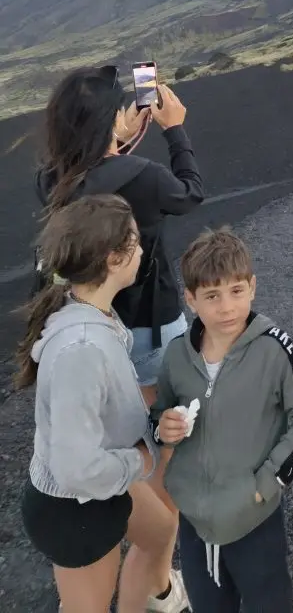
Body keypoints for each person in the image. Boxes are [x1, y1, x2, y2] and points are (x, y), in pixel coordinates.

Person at [35, 64, 204, 613]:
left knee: (107, 433)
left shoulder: (54, 179)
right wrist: (174, 130)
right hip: (149, 329)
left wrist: (117, 139)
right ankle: (154, 573)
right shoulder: (144, 177)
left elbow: (98, 168)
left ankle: (151, 570)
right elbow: (189, 194)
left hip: (103, 313)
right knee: (150, 452)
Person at [16, 194, 178, 613]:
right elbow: (76, 471)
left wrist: (150, 422)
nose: (143, 250)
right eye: (136, 242)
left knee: (159, 532)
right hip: (76, 509)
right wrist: (141, 462)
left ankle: (146, 602)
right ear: (113, 258)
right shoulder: (81, 349)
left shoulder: (96, 313)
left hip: (105, 479)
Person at [150, 227, 293, 613]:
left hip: (254, 517)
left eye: (236, 291)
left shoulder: (274, 348)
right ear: (191, 299)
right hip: (195, 523)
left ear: (253, 287)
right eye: (212, 296)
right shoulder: (178, 355)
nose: (226, 307)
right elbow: (157, 413)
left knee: (269, 603)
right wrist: (163, 426)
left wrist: (267, 482)